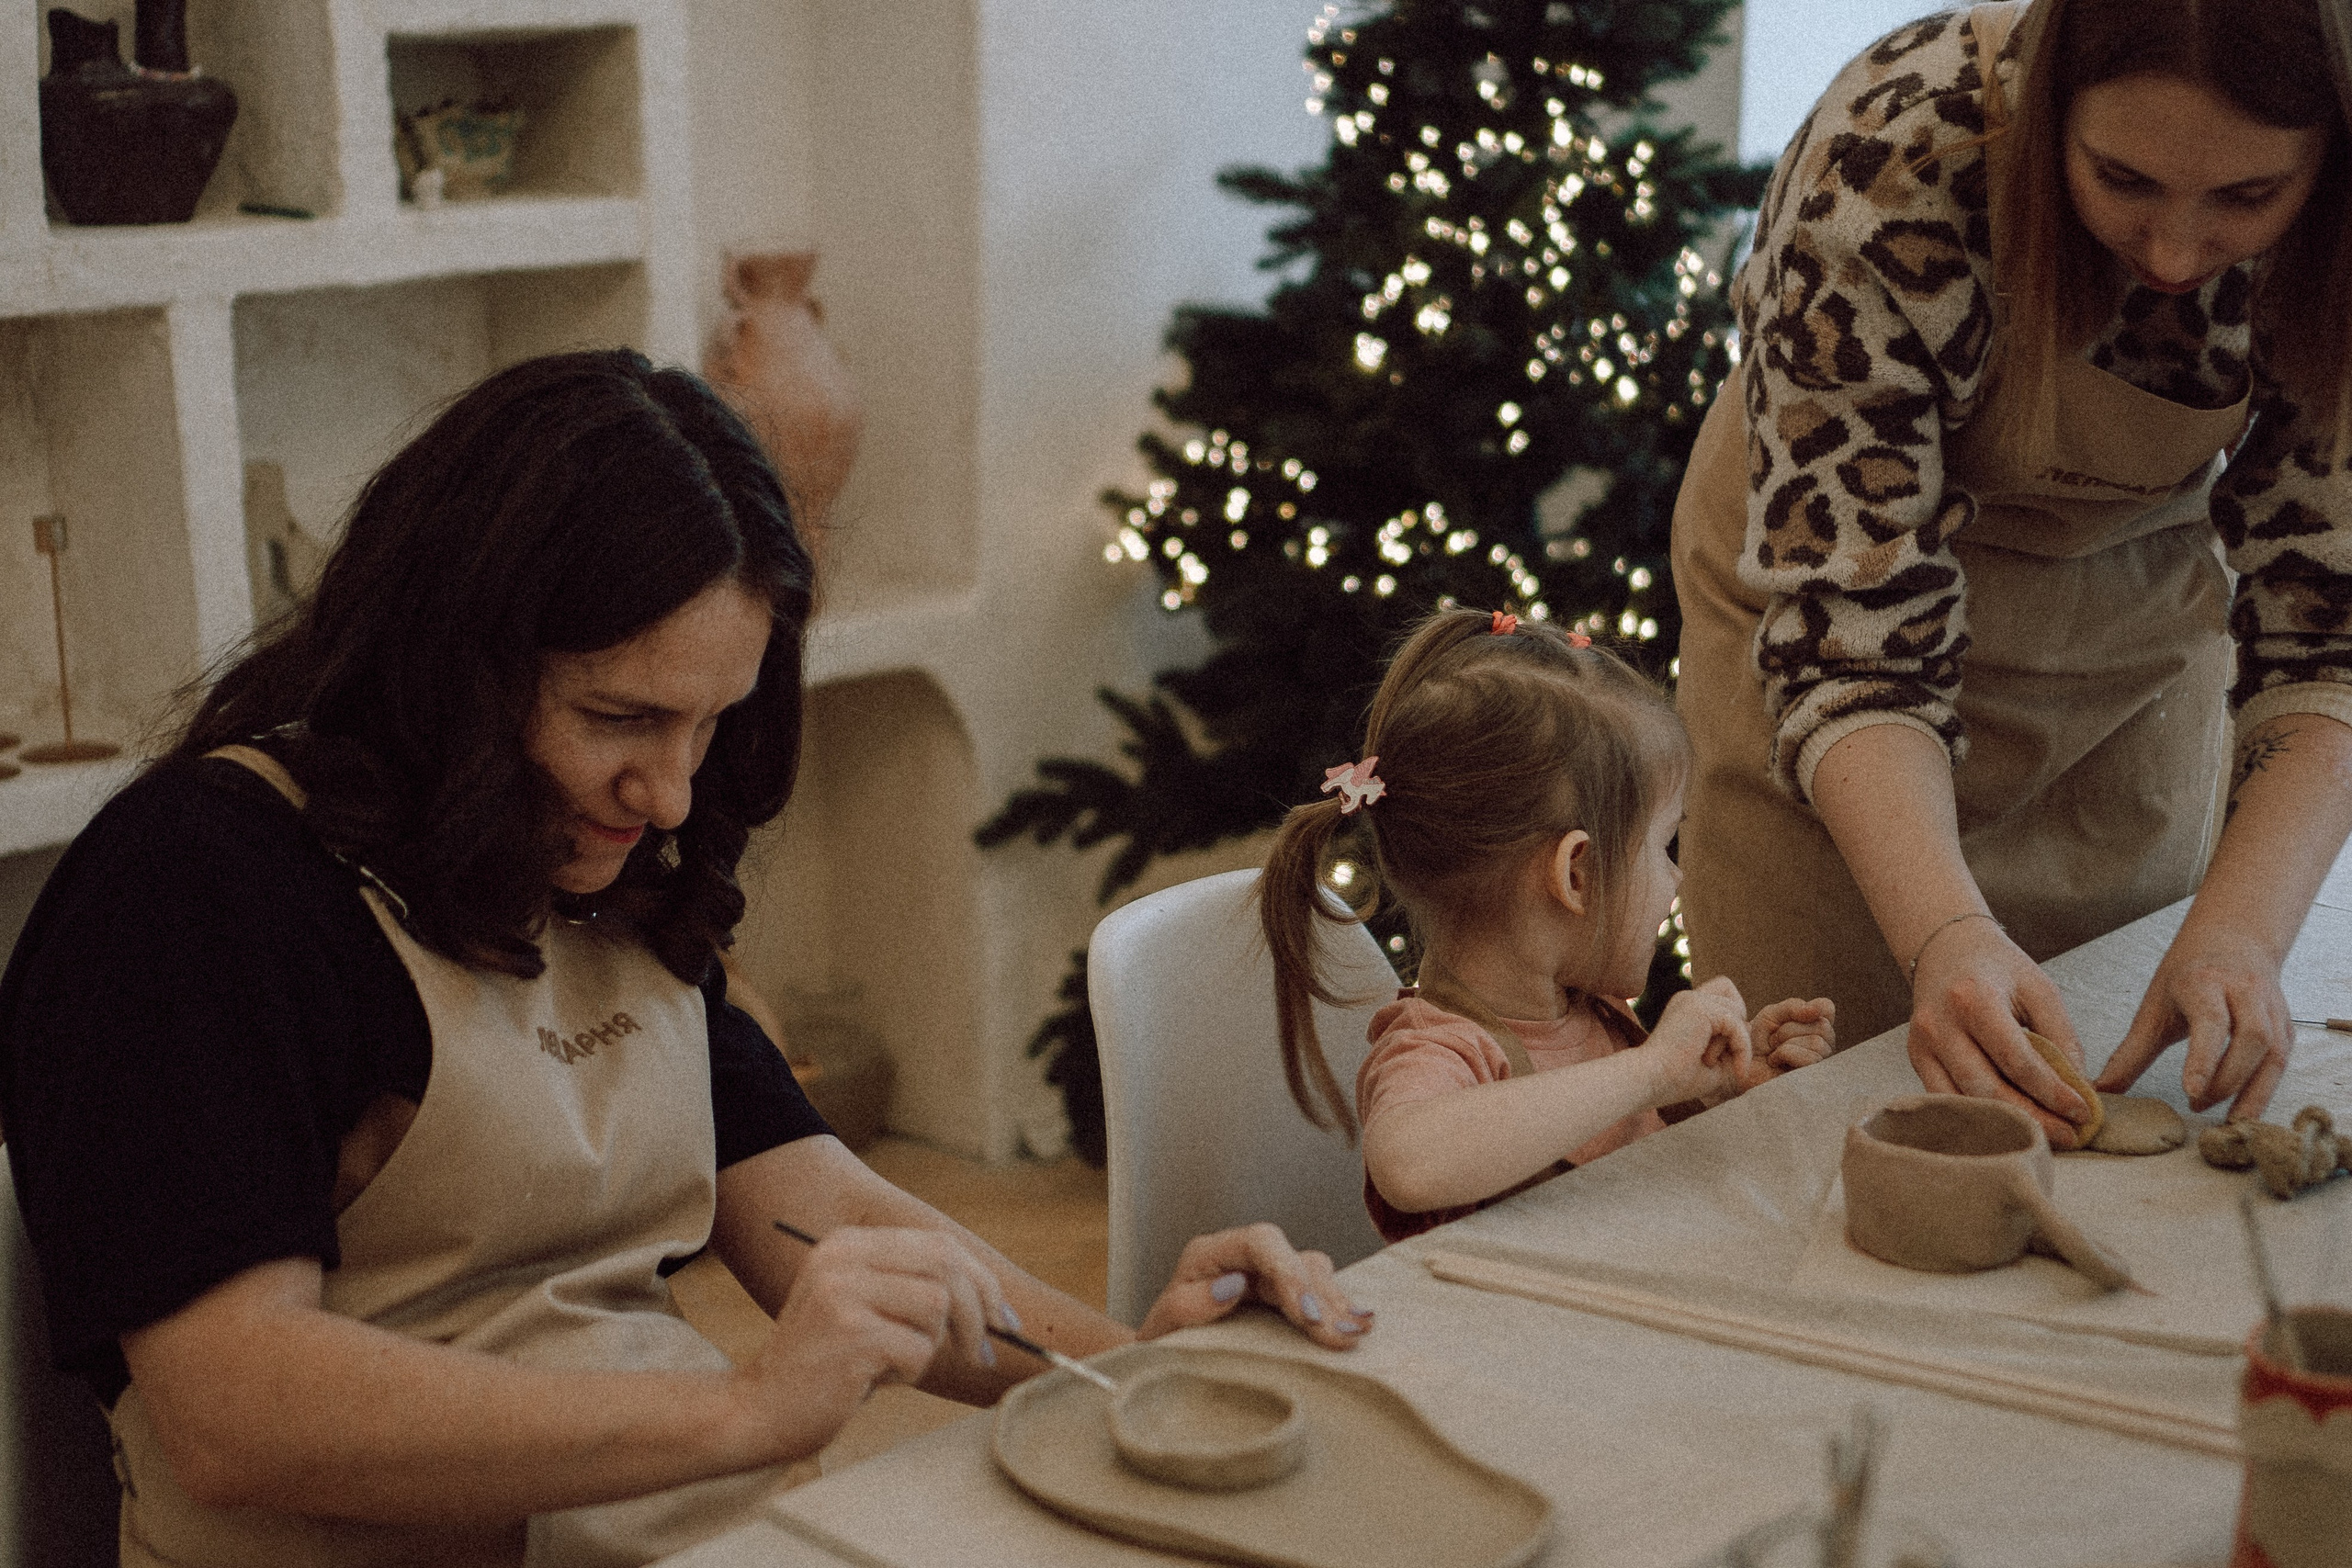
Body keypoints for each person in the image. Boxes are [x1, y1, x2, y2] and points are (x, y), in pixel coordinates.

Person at [0, 350, 1369, 1568]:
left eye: (708, 726)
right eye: (622, 716)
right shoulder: (197, 882)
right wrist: (744, 1406)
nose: (666, 792)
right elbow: (237, 1412)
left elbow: (811, 1206)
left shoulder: (599, 864)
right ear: (453, 659)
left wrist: (1134, 1372)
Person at [1671, 0, 2352, 1151]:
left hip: (2126, 646)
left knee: (2103, 1105)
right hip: (1833, 662)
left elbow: (2327, 626)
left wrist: (2240, 933)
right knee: (1815, 1128)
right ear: (2049, 111)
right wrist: (1941, 934)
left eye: (2246, 198)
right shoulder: (1884, 160)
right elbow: (1853, 634)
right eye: (2122, 178)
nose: (2176, 254)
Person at [1257, 609, 1837, 1243]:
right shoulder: (1441, 1049)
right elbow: (1407, 1163)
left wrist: (1719, 1086)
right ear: (1576, 875)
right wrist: (1651, 1071)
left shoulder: (1592, 1014)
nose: (1676, 880)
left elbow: (1626, 1163)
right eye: (1663, 846)